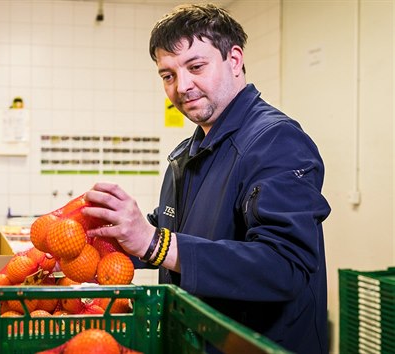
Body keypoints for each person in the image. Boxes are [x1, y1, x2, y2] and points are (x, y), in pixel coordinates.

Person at [82, 4, 331, 353]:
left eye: (196, 66)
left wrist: (154, 243)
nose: (182, 87)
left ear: (234, 59)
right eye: (167, 76)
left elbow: (283, 267)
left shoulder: (276, 141)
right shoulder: (188, 152)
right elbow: (175, 233)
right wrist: (105, 236)